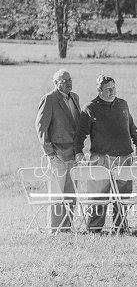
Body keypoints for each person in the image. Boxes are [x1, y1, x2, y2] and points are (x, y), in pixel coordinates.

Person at [76, 75, 137, 232]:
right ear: (99, 90)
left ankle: (120, 227)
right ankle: (94, 228)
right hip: (101, 158)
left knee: (124, 195)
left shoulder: (123, 104)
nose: (112, 91)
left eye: (114, 88)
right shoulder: (90, 108)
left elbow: (131, 126)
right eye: (108, 89)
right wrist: (78, 151)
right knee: (98, 196)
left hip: (125, 156)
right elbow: (80, 134)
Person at [36, 69, 82, 232]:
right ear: (55, 83)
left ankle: (67, 228)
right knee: (57, 194)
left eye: (69, 79)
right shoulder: (49, 99)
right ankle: (55, 229)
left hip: (74, 154)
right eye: (64, 80)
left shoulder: (75, 97)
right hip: (57, 155)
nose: (68, 82)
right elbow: (41, 128)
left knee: (71, 194)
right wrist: (50, 153)